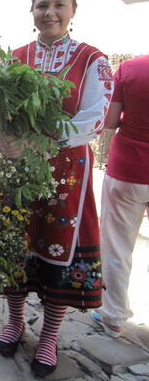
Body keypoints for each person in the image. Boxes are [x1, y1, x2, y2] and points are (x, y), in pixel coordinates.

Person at [0, 0, 113, 377]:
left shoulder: (92, 61)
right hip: (13, 168)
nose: (50, 13)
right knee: (13, 242)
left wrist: (36, 143)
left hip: (65, 173)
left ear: (73, 10)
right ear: (32, 10)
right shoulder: (14, 57)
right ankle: (13, 320)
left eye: (59, 4)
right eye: (42, 4)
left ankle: (49, 336)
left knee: (56, 246)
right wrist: (2, 133)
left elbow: (93, 119)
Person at [91, 54, 149, 338]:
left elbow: (110, 121)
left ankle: (113, 316)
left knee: (117, 245)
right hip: (129, 169)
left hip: (129, 169)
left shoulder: (131, 69)